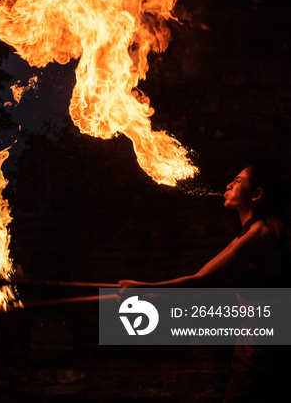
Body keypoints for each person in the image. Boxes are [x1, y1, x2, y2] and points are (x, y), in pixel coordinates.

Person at [119, 163, 291, 402]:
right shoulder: (249, 232)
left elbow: (200, 280)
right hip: (253, 342)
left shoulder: (258, 235)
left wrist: (144, 290)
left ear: (257, 194)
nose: (229, 185)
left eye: (238, 181)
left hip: (265, 348)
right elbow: (204, 278)